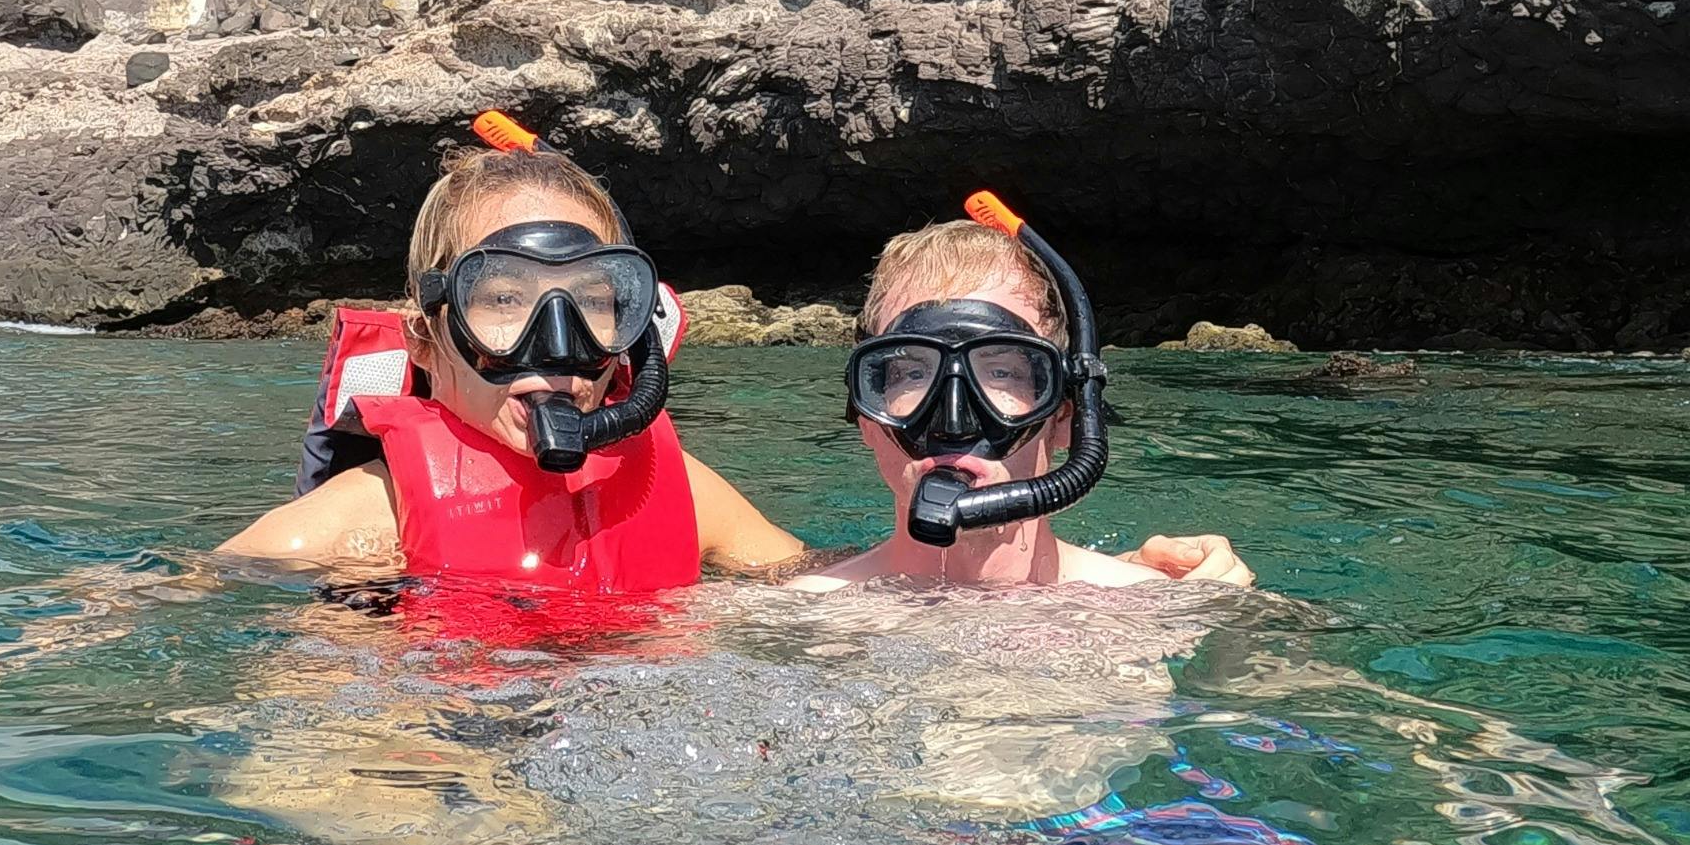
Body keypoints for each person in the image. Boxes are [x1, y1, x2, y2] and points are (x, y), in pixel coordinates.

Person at [219, 118, 809, 580]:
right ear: (425, 340)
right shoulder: (358, 526)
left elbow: (844, 596)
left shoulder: (672, 487)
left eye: (592, 302)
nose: (556, 345)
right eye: (503, 300)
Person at [808, 196, 1251, 589]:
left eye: (1001, 372)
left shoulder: (1166, 610)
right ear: (866, 416)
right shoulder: (794, 621)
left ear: (1065, 416)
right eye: (912, 374)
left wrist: (1231, 635)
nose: (954, 421)